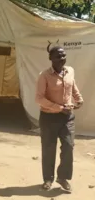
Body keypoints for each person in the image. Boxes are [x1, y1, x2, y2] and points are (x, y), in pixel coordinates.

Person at [35, 45, 82, 192]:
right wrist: (59, 108)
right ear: (51, 58)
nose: (62, 58)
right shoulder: (44, 75)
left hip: (67, 117)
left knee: (68, 146)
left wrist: (78, 98)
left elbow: (72, 85)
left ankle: (63, 177)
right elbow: (39, 98)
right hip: (49, 117)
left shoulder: (70, 71)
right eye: (58, 56)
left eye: (63, 55)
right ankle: (48, 179)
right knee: (49, 148)